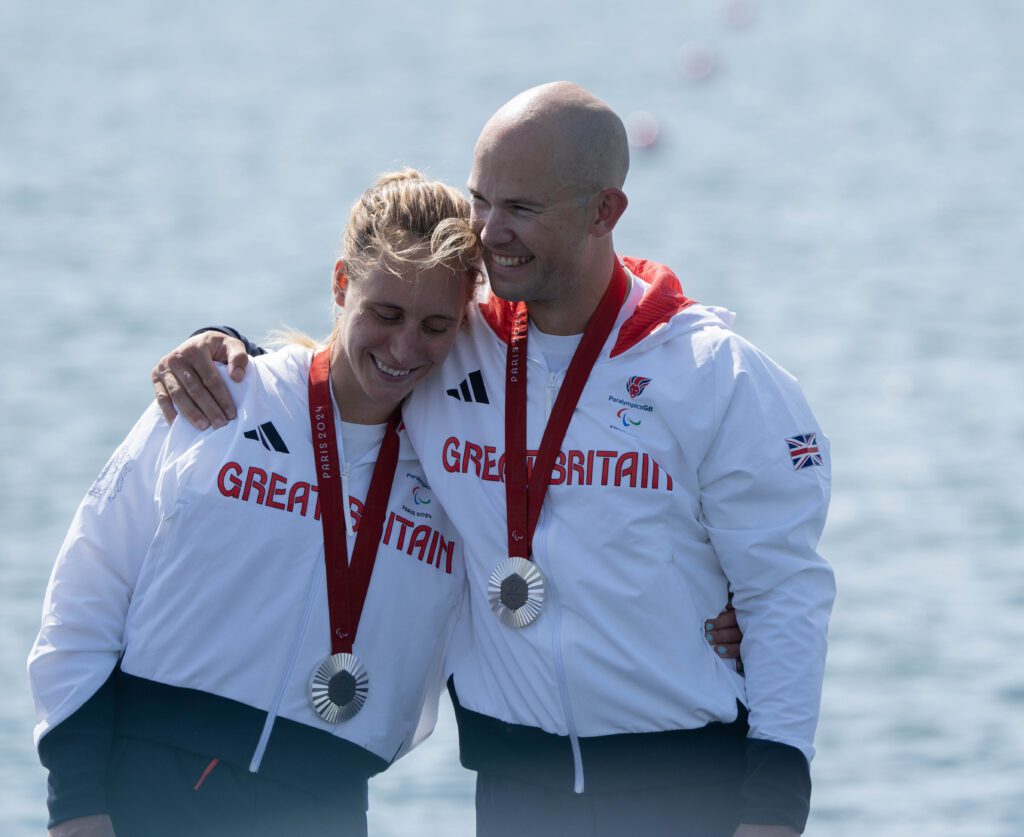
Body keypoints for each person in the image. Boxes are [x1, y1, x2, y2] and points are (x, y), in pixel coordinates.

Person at [152, 83, 833, 837]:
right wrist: (220, 349)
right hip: (514, 798)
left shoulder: (717, 378)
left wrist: (774, 814)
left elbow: (784, 598)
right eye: (481, 199)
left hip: (689, 793)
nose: (488, 231)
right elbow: (342, 369)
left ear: (604, 212)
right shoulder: (447, 340)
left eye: (522, 209)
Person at [28, 170, 487, 837]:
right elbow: (85, 592)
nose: (405, 346)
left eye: (436, 325)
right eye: (385, 313)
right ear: (340, 284)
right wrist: (74, 801)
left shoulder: (462, 464)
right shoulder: (222, 395)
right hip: (142, 800)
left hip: (327, 808)